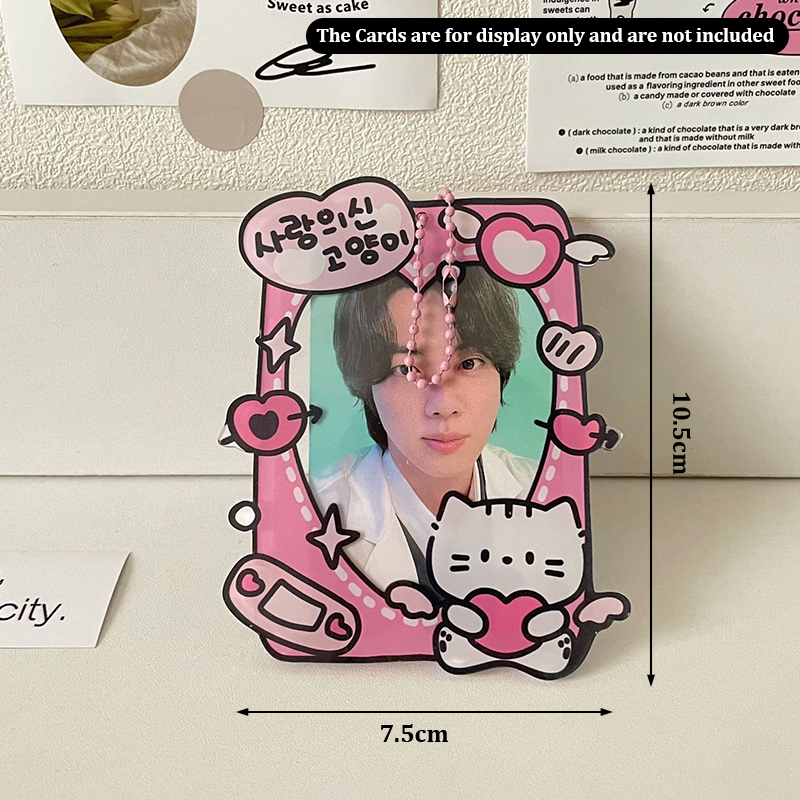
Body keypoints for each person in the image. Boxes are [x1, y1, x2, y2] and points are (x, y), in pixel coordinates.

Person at [311, 267, 540, 592]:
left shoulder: (548, 493)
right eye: (406, 368)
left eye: (469, 363)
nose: (443, 404)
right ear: (367, 385)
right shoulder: (313, 512)